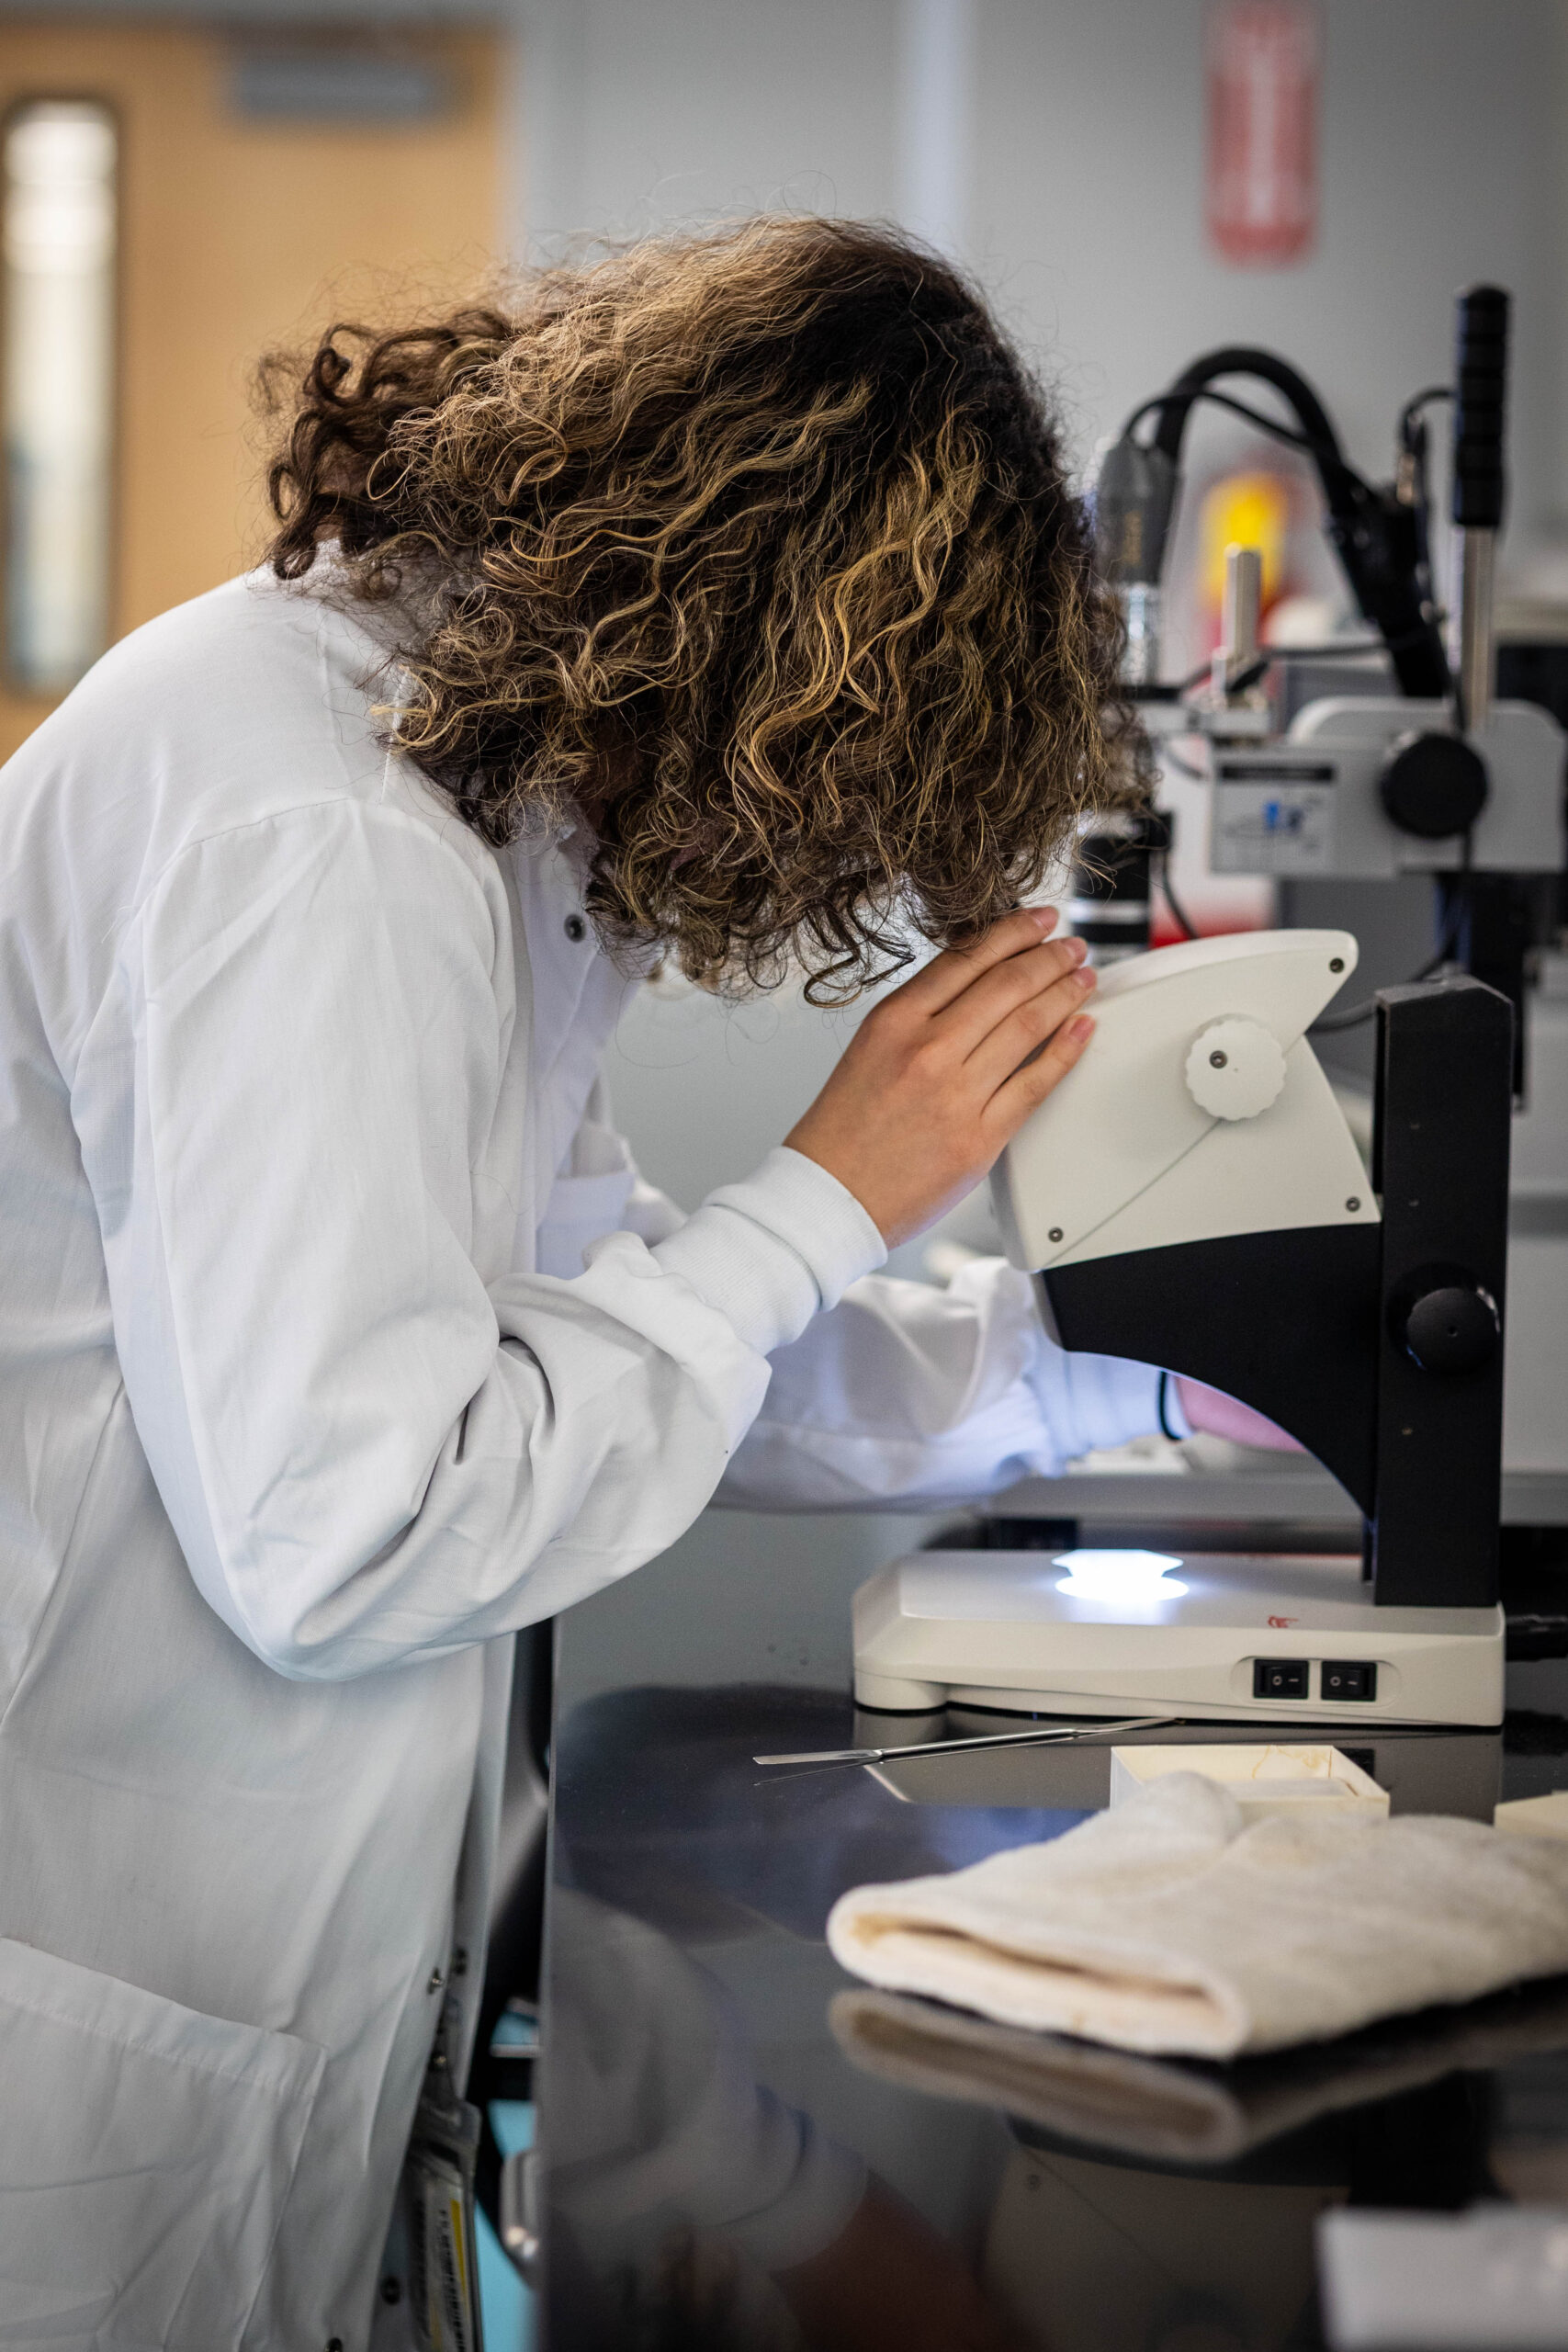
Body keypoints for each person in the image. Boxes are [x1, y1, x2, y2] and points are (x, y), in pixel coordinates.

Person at [0, 216, 1282, 2347]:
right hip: (92, 2040)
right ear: (771, 640)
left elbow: (604, 1319)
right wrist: (835, 1183)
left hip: (254, 1980)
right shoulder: (326, 835)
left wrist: (1111, 1367)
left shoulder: (460, 786)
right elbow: (353, 1531)